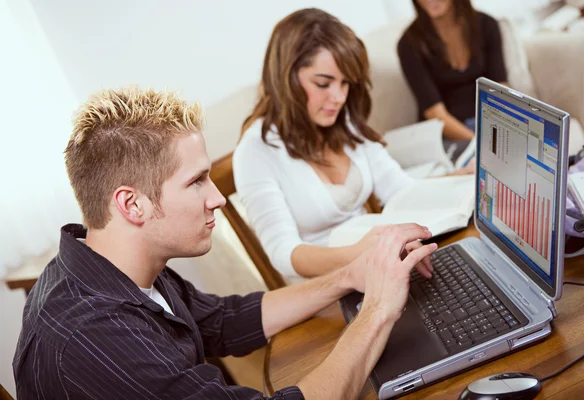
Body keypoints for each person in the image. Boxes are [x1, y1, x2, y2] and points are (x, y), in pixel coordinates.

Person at [12, 86, 437, 399]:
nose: (217, 198)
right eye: (197, 181)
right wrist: (379, 310)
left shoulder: (111, 262)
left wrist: (349, 275)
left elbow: (225, 320)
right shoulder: (96, 337)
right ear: (132, 204)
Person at [234, 8, 469, 284]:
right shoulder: (255, 151)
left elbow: (400, 189)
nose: (338, 97)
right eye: (323, 83)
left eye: (345, 83)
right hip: (324, 288)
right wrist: (360, 254)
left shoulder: (343, 123)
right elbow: (284, 253)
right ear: (286, 78)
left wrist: (461, 179)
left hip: (379, 266)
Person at [398, 0, 508, 161]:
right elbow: (435, 113)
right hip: (450, 133)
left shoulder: (486, 25)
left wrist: (501, 131)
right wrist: (479, 144)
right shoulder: (408, 44)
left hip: (488, 122)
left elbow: (501, 89)